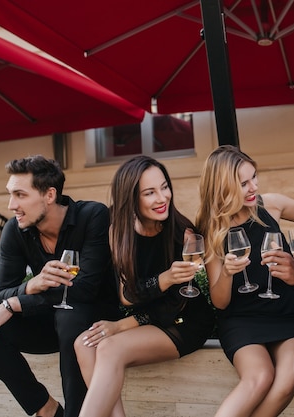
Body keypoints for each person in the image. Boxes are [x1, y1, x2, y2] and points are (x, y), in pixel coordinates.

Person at [0, 155, 120, 417]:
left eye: (20, 195)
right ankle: (47, 410)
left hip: (94, 321)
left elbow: (84, 289)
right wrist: (31, 286)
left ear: (49, 195)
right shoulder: (14, 231)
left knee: (70, 315)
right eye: (10, 194)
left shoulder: (93, 216)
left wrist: (17, 302)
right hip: (50, 323)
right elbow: (0, 292)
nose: (11, 205)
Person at [73, 155, 215, 417]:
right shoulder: (119, 230)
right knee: (84, 343)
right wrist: (165, 278)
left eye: (164, 187)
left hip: (184, 321)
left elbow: (175, 304)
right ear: (131, 198)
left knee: (109, 347)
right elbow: (127, 296)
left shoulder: (182, 234)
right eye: (149, 192)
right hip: (149, 321)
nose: (162, 198)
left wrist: (120, 326)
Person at [196, 145, 294, 417]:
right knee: (258, 378)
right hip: (242, 320)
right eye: (243, 183)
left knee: (290, 379)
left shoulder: (270, 205)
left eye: (254, 177)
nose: (252, 187)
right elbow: (220, 303)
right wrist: (227, 273)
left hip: (285, 313)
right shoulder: (212, 230)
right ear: (222, 187)